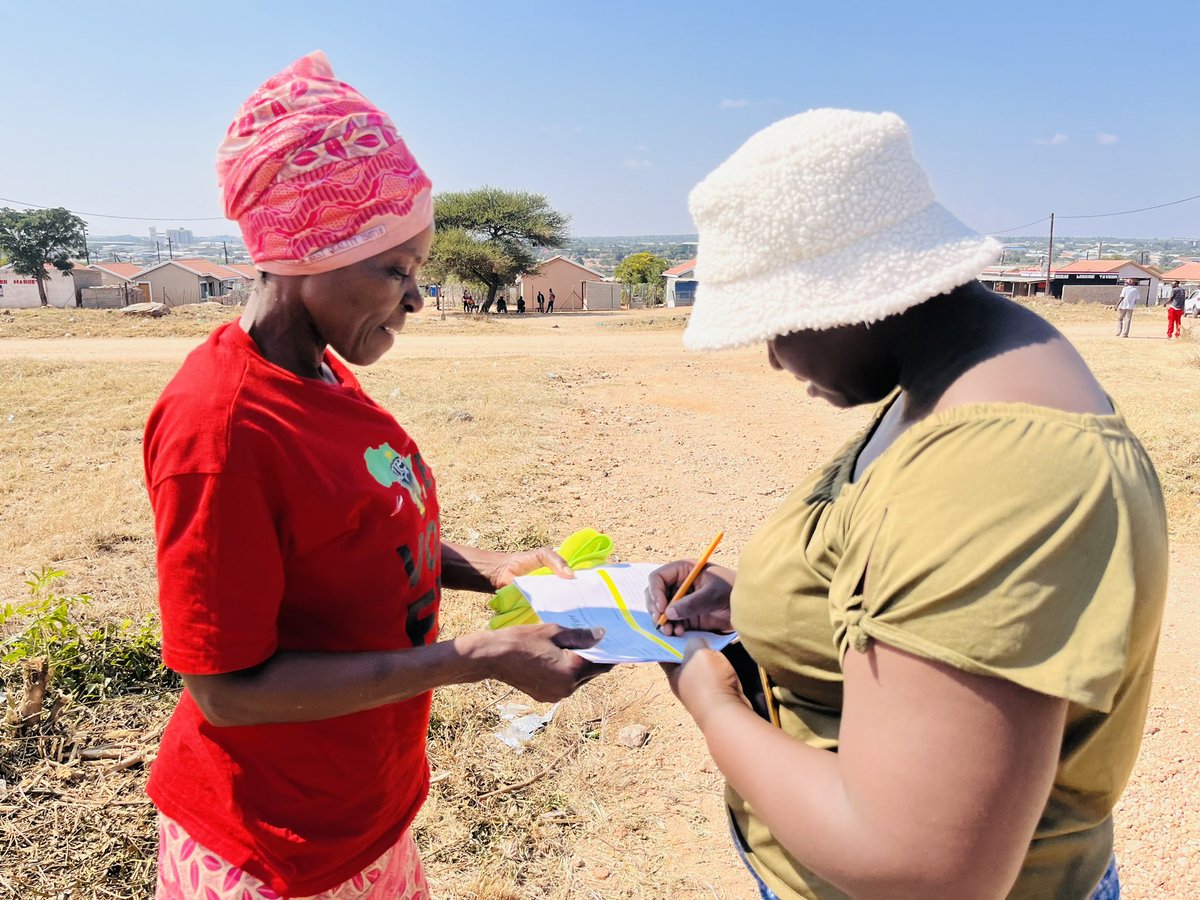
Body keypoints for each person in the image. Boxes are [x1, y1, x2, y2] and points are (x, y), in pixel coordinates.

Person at [647, 109, 1166, 900]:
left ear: (859, 295)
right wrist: (757, 604)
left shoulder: (996, 469)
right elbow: (909, 593)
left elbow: (925, 873)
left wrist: (711, 701)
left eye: (778, 324)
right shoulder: (956, 373)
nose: (775, 357)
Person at [143, 51, 607, 900]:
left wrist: (491, 569)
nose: (418, 299)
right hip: (268, 851)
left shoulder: (322, 374)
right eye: (394, 269)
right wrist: (477, 657)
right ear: (303, 255)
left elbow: (365, 540)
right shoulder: (222, 427)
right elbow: (227, 693)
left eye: (419, 268)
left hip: (359, 813)